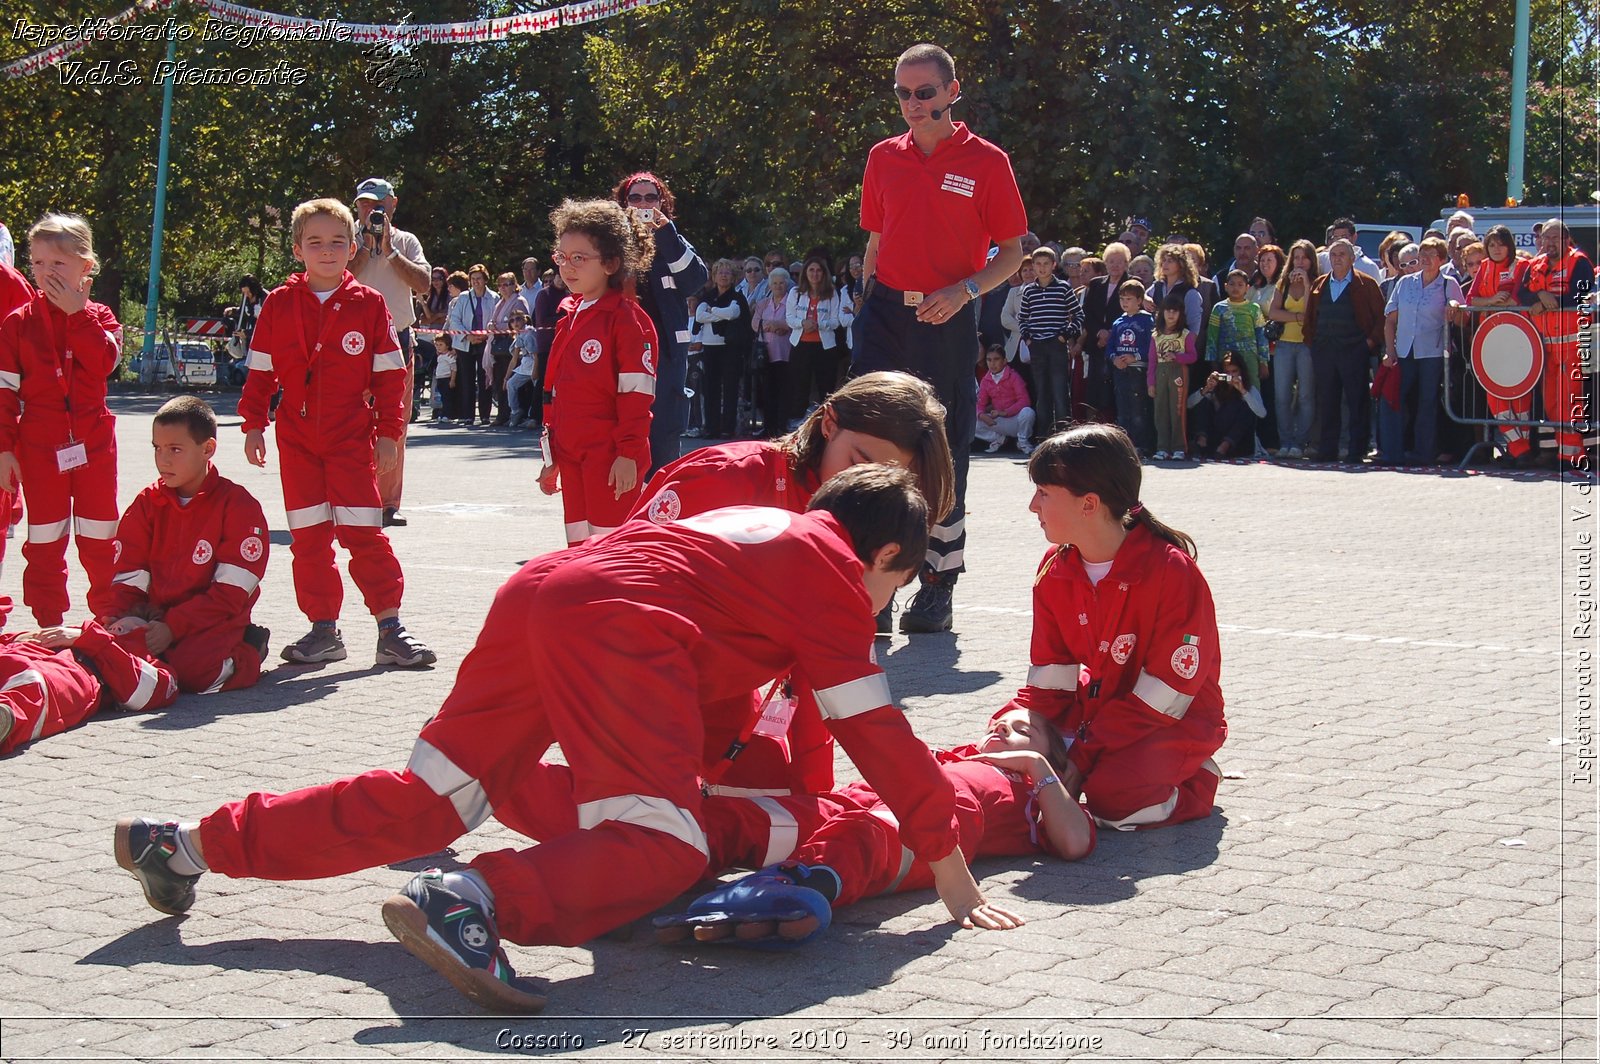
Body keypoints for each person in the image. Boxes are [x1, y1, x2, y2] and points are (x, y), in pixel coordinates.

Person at [114, 466, 1008, 1014]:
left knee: (428, 802)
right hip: (614, 623)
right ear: (887, 558)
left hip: (540, 592)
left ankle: (184, 843)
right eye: (901, 579)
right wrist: (945, 858)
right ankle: (472, 901)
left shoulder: (766, 530)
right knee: (666, 846)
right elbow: (878, 733)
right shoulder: (832, 574)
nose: (886, 603)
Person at [654, 705, 1093, 947]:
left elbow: (1074, 842)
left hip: (939, 824)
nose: (1004, 725)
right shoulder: (949, 757)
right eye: (1001, 720)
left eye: (1025, 730)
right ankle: (656, 858)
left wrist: (1039, 767)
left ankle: (793, 888)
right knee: (760, 821)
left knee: (866, 834)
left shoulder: (1031, 792)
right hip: (857, 800)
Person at [854, 42, 1027, 634]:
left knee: (941, 452)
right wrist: (867, 298)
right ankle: (874, 590)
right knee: (868, 445)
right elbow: (876, 238)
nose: (912, 103)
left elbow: (1011, 253)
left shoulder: (987, 161)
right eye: (902, 93)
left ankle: (937, 586)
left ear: (953, 91)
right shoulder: (883, 157)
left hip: (947, 317)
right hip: (883, 318)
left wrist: (965, 292)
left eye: (924, 92)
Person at [239, 198, 435, 669]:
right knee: (308, 538)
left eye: (336, 242)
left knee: (364, 533)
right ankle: (323, 630)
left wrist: (390, 433)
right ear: (297, 250)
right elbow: (260, 373)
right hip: (297, 439)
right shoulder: (279, 305)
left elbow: (391, 376)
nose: (326, 250)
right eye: (315, 242)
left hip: (351, 437)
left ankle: (391, 629)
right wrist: (252, 425)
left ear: (352, 249)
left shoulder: (369, 305)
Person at [1008, 423, 1225, 830]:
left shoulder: (1171, 571)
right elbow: (1051, 682)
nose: (1033, 507)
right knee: (1010, 752)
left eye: (1044, 493)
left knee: (1114, 800)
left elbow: (1167, 696)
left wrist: (1084, 753)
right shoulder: (1054, 569)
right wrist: (1022, 728)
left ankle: (1197, 778)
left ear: (1089, 504)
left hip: (1170, 721)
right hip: (1098, 718)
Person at [98, 395, 270, 694]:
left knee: (194, 674)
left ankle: (249, 649)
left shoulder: (238, 506)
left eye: (175, 449)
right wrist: (120, 615)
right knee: (105, 651)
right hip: (155, 617)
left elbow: (230, 595)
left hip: (214, 620)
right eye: (157, 448)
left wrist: (174, 627)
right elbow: (128, 575)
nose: (163, 460)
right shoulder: (146, 504)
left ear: (208, 449)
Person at [0, 213, 123, 627]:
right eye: (37, 263)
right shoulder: (17, 323)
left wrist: (78, 314)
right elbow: (4, 395)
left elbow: (104, 363)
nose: (45, 273)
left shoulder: (102, 317)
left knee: (100, 536)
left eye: (58, 263)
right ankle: (49, 622)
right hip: (38, 444)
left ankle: (110, 618)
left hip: (94, 442)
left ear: (86, 266)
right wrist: (4, 449)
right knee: (45, 539)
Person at [536, 199, 658, 546]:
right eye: (561, 257)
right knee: (578, 548)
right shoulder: (569, 314)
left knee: (611, 551)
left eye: (579, 258)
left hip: (609, 457)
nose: (567, 267)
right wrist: (552, 454)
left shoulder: (628, 320)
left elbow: (637, 396)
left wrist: (628, 455)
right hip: (571, 453)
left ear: (610, 263)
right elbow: (554, 390)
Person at [613, 172, 707, 476]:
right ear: (624, 204)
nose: (643, 204)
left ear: (662, 202)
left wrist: (666, 235)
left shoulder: (672, 240)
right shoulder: (611, 241)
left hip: (665, 351)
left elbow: (694, 281)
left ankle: (659, 509)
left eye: (650, 198)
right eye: (635, 198)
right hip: (619, 348)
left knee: (664, 429)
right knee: (620, 425)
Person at [350, 178, 430, 528]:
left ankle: (387, 503)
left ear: (393, 204)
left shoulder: (406, 242)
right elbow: (338, 275)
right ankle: (352, 496)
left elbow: (423, 283)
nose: (371, 211)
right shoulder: (346, 239)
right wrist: (366, 247)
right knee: (350, 421)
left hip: (397, 339)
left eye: (378, 205)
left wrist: (389, 249)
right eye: (365, 205)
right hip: (352, 342)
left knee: (393, 425)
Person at [1, 620, 177, 754]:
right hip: (24, 653)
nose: (116, 629)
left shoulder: (150, 662)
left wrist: (89, 638)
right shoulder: (78, 631)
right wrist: (17, 638)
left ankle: (4, 715)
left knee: (36, 688)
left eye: (129, 629)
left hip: (76, 671)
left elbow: (146, 692)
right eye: (116, 625)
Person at [1380, 237, 1464, 466]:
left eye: (1431, 255)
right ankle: (1390, 451)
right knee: (1392, 398)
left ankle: (1424, 452)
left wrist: (1455, 307)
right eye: (1422, 255)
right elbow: (1390, 320)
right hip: (1404, 351)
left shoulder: (1448, 284)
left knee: (1426, 402)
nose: (1425, 259)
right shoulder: (1405, 283)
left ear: (1442, 260)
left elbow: (1462, 317)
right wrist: (1390, 351)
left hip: (1432, 352)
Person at [1519, 219, 1595, 472]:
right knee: (1551, 401)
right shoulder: (1536, 264)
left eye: (1555, 237)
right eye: (1545, 238)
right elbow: (1522, 294)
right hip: (1546, 346)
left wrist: (1551, 301)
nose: (1549, 242)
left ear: (1566, 239)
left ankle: (1572, 456)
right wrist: (1539, 296)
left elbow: (1580, 294)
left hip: (1572, 343)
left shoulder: (1579, 262)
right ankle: (1562, 453)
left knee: (1570, 400)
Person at [1303, 240, 1385, 464]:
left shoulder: (1366, 284)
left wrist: (1368, 343)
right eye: (1333, 254)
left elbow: (1381, 318)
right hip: (1325, 351)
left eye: (1342, 254)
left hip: (1354, 351)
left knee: (1357, 401)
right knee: (1327, 401)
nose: (1337, 258)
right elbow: (1310, 318)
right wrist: (1314, 344)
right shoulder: (1320, 284)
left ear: (1352, 258)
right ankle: (1327, 449)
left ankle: (1356, 450)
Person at [1470, 226, 1534, 464]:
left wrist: (1497, 303)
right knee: (1495, 395)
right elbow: (1472, 300)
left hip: (1518, 338)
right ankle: (1519, 449)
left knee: (1520, 397)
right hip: (1491, 339)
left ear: (1510, 245)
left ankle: (1519, 451)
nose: (1496, 249)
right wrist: (1490, 301)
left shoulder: (1523, 266)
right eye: (1492, 244)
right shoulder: (1484, 266)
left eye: (1501, 244)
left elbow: (1519, 299)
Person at [1016, 246, 1085, 437]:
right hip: (1037, 347)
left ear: (1053, 265)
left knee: (1060, 391)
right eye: (1038, 264)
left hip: (1056, 345)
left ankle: (1064, 436)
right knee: (1042, 393)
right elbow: (1022, 318)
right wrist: (1029, 339)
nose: (1042, 268)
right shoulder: (1029, 291)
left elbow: (1078, 315)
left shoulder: (1063, 288)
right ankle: (1044, 437)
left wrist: (1065, 335)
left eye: (1046, 264)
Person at [785, 254, 854, 427]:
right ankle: (796, 420)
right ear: (805, 273)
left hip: (825, 346)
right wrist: (802, 323)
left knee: (826, 386)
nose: (815, 274)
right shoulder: (796, 292)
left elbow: (835, 320)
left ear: (824, 273)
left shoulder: (831, 293)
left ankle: (826, 421)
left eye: (818, 271)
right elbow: (789, 318)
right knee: (800, 384)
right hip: (800, 344)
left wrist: (818, 325)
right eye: (811, 270)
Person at [1267, 240, 1319, 458]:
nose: (1299, 262)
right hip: (1284, 345)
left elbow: (1311, 313)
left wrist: (1306, 285)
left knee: (1306, 395)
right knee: (1282, 396)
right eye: (1296, 257)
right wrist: (1297, 317)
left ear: (1311, 260)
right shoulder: (1283, 283)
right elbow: (1273, 313)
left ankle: (1300, 442)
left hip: (1306, 345)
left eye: (1304, 257)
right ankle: (1286, 442)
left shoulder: (1318, 282)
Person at [693, 259, 752, 439]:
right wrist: (719, 313)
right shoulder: (707, 296)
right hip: (710, 348)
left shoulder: (737, 297)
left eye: (727, 273)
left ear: (733, 277)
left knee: (730, 389)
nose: (724, 276)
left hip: (730, 348)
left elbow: (734, 313)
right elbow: (700, 316)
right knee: (710, 389)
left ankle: (728, 428)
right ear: (714, 276)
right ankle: (711, 427)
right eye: (720, 272)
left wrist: (712, 311)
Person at [1204, 269, 1270, 429]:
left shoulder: (1254, 309)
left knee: (1251, 392)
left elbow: (1261, 337)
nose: (1236, 287)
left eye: (1240, 284)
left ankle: (1252, 434)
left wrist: (1263, 362)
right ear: (1225, 286)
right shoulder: (1219, 308)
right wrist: (1212, 361)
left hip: (1249, 359)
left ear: (1247, 288)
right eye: (1232, 284)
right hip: (1226, 360)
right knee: (1225, 393)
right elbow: (1212, 336)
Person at [1082, 242, 1132, 423]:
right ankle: (1092, 426)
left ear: (1127, 263)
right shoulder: (1096, 284)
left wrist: (1111, 333)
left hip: (1120, 345)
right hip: (1096, 345)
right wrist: (1099, 333)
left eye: (1120, 261)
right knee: (1094, 388)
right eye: (1111, 261)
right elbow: (1086, 313)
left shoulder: (1132, 284)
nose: (1115, 265)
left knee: (1115, 389)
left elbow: (1130, 313)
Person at [1107, 278, 1155, 453]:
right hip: (1121, 370)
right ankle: (1124, 444)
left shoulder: (1147, 320)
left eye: (1129, 299)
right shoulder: (1118, 322)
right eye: (1122, 299)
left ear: (1140, 300)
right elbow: (1110, 345)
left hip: (1139, 369)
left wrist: (1135, 356)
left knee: (1138, 408)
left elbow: (1151, 345)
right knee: (1122, 407)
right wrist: (1114, 358)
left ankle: (1141, 444)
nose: (1125, 303)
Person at [1148, 292, 1198, 460]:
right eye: (1168, 311)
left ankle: (1179, 447)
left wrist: (1177, 357)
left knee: (1177, 409)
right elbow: (1152, 361)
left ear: (1180, 314)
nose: (1171, 314)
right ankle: (1162, 447)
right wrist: (1151, 383)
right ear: (1161, 312)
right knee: (1160, 410)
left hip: (1178, 372)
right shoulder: (1156, 336)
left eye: (1175, 311)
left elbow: (1193, 356)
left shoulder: (1185, 335)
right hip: (1160, 373)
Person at [1187, 352, 1262, 459]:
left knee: (1246, 407)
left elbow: (1262, 413)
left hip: (1238, 442)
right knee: (1203, 401)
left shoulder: (1249, 389)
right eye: (1227, 372)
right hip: (1216, 435)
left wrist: (1243, 392)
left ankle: (1225, 446)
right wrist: (1206, 389)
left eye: (1234, 371)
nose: (1231, 376)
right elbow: (1188, 405)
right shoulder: (1217, 387)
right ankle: (1201, 442)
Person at [447, 265, 495, 426]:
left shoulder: (494, 297)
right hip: (465, 343)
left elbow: (495, 322)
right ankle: (467, 415)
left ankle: (485, 415)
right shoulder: (463, 297)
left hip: (485, 343)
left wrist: (484, 335)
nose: (476, 282)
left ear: (485, 279)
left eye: (479, 278)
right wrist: (468, 336)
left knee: (485, 379)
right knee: (466, 379)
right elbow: (455, 320)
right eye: (473, 279)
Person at [749, 267, 793, 438]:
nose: (778, 286)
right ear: (770, 285)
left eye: (781, 283)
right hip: (765, 355)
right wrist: (775, 325)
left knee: (784, 392)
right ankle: (768, 427)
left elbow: (790, 321)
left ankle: (782, 427)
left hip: (785, 354)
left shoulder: (791, 301)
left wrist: (776, 325)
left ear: (787, 284)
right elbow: (755, 324)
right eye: (774, 283)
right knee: (767, 393)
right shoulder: (763, 303)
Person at [973, 344, 1035, 454]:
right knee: (971, 419)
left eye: (996, 359)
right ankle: (998, 438)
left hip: (1014, 420)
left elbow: (1024, 401)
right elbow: (980, 404)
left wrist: (1004, 413)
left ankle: (1022, 441)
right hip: (998, 421)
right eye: (989, 360)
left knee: (1028, 412)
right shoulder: (986, 380)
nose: (992, 364)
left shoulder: (1014, 376)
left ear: (1005, 360)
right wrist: (982, 415)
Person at [486, 273, 528, 427]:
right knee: (499, 381)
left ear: (514, 285)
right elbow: (494, 319)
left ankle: (514, 413)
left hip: (512, 347)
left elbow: (519, 322)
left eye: (507, 284)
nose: (503, 288)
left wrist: (498, 326)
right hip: (498, 347)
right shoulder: (500, 303)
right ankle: (502, 413)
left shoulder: (519, 301)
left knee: (510, 381)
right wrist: (491, 324)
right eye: (500, 285)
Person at [504, 310, 539, 430]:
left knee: (537, 391)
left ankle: (534, 417)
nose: (515, 322)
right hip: (525, 366)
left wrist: (535, 372)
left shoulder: (529, 334)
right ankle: (515, 411)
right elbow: (514, 359)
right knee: (511, 384)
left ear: (525, 319)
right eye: (512, 321)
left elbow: (536, 356)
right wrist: (506, 377)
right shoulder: (519, 335)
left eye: (518, 319)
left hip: (534, 365)